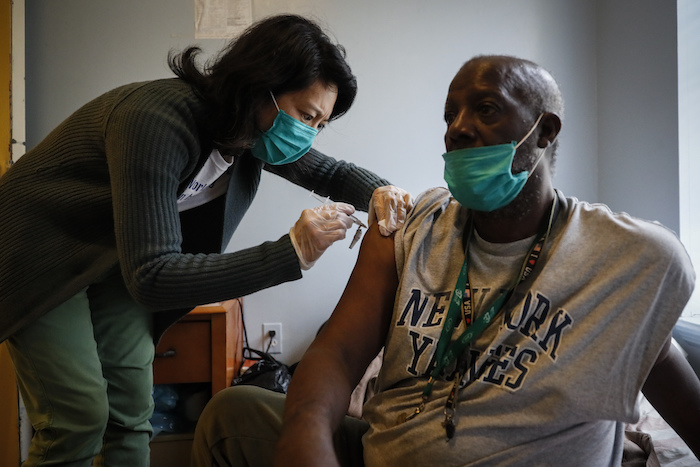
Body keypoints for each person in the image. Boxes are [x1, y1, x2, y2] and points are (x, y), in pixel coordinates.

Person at [190, 55, 700, 466]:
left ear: (544, 131)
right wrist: (305, 437)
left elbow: (666, 371)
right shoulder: (411, 226)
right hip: (383, 450)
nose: (458, 128)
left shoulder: (626, 257)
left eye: (486, 109)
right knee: (230, 416)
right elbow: (339, 352)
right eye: (450, 114)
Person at [0, 14, 413, 467]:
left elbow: (329, 172)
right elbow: (153, 278)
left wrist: (386, 192)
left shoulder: (252, 133)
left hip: (112, 253)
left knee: (133, 412)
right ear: (261, 86)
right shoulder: (156, 120)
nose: (309, 135)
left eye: (321, 125)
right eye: (306, 116)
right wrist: (290, 252)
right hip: (36, 249)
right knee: (78, 418)